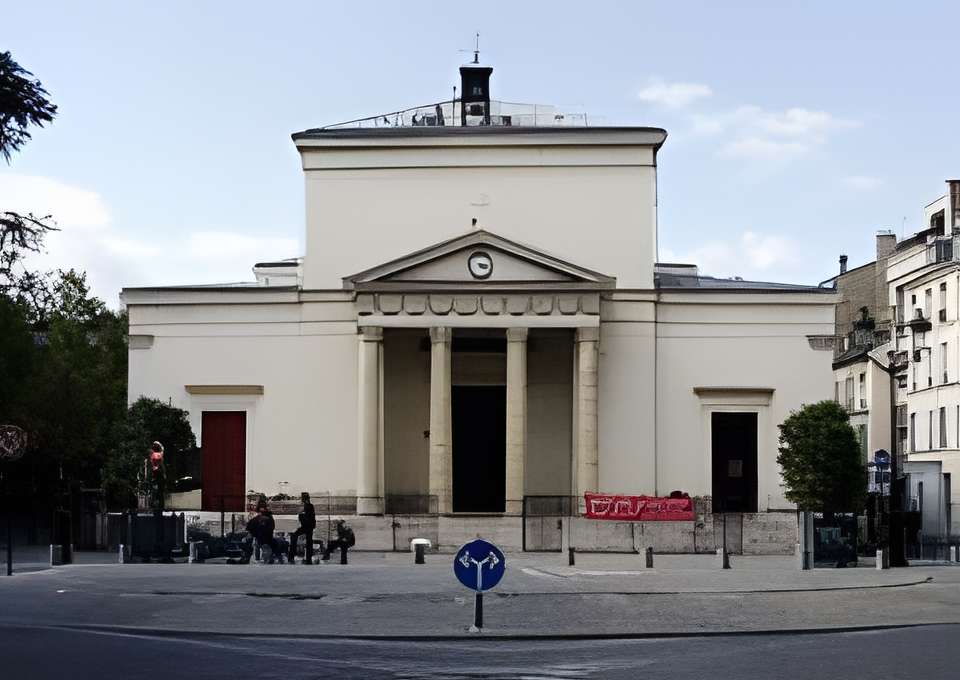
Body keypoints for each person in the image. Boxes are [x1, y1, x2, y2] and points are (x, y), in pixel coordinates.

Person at [287, 492, 317, 564]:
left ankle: (291, 557)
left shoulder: (307, 506)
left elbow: (306, 518)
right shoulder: (308, 506)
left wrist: (301, 515)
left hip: (307, 526)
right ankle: (308, 559)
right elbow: (311, 518)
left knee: (295, 537)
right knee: (308, 542)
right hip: (308, 527)